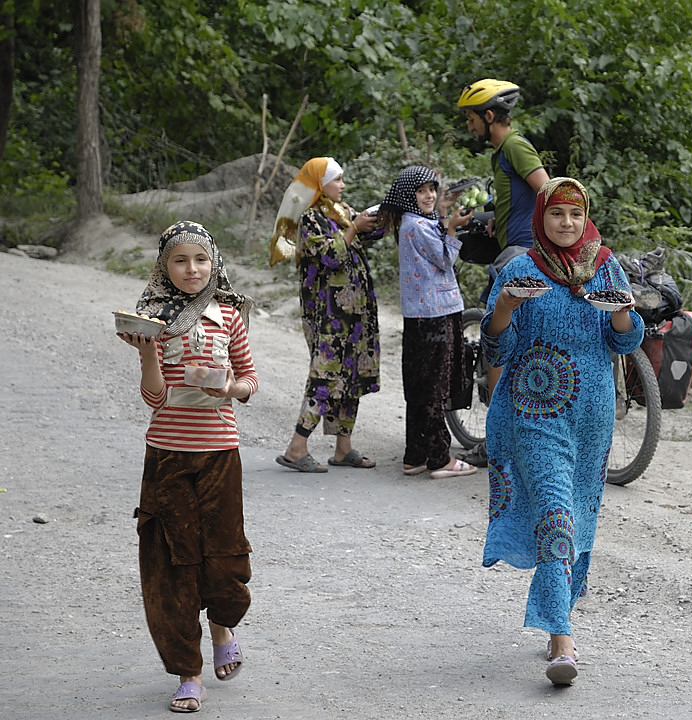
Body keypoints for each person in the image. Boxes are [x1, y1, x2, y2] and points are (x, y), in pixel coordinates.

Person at [479, 177, 643, 685]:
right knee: (554, 514)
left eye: (575, 214)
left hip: (591, 417)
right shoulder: (520, 270)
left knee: (575, 513)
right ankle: (562, 642)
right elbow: (495, 347)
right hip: (535, 411)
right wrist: (505, 306)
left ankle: (558, 613)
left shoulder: (606, 267)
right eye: (556, 214)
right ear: (541, 219)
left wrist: (620, 312)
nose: (566, 223)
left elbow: (627, 341)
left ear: (585, 216)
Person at [117, 220, 259, 713]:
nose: (191, 269)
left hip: (221, 453)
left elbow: (250, 379)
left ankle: (222, 628)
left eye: (200, 259)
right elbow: (154, 398)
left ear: (213, 261)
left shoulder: (229, 314)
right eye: (180, 260)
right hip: (166, 456)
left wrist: (230, 390)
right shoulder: (149, 320)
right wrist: (147, 355)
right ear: (164, 266)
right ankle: (187, 671)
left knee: (222, 554)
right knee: (168, 563)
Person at [457, 78, 551, 467]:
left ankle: (495, 441)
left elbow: (547, 189)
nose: (469, 127)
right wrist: (498, 217)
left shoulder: (513, 145)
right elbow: (524, 197)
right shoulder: (501, 154)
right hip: (517, 247)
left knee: (495, 337)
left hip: (519, 256)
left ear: (489, 115)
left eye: (471, 119)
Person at [271, 157, 381, 473]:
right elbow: (330, 257)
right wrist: (353, 229)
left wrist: (377, 219)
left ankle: (343, 447)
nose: (343, 186)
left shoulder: (342, 212)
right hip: (328, 314)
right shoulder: (309, 220)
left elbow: (366, 236)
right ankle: (296, 446)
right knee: (326, 374)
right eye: (337, 180)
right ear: (320, 185)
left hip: (355, 311)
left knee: (353, 373)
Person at [380, 165, 479, 480]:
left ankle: (416, 456)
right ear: (410, 195)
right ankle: (440, 459)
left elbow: (433, 232)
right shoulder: (417, 226)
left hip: (423, 315)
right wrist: (451, 229)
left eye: (432, 190)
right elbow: (446, 259)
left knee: (420, 387)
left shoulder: (414, 222)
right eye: (422, 191)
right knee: (434, 387)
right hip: (434, 314)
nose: (430, 196)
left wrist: (444, 216)